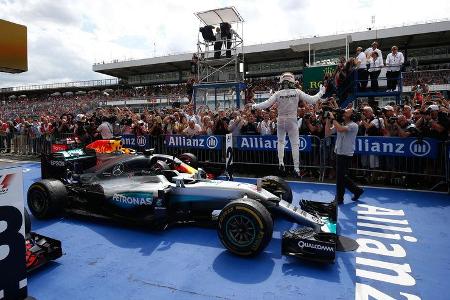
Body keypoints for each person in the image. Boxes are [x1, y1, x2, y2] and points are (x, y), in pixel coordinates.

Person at [252, 72, 325, 176]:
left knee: (280, 142)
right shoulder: (297, 91)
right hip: (292, 120)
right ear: (292, 81)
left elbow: (266, 104)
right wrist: (321, 92)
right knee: (295, 144)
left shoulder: (278, 93)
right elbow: (312, 100)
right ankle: (296, 168)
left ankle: (281, 163)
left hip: (281, 119)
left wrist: (255, 106)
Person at [325, 109, 364, 204]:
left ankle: (339, 198)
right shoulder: (340, 123)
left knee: (340, 177)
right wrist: (328, 120)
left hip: (346, 153)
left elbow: (341, 129)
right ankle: (356, 190)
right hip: (337, 152)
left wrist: (333, 119)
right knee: (341, 176)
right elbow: (328, 133)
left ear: (352, 115)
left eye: (346, 112)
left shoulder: (353, 125)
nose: (344, 113)